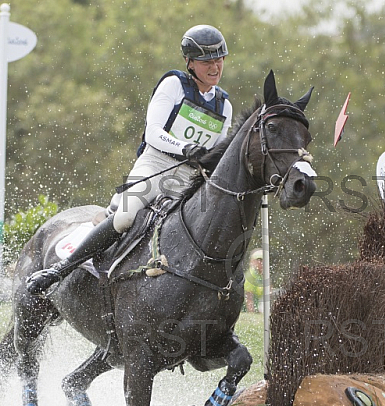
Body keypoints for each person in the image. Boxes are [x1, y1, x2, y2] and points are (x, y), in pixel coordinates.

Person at [26, 25, 233, 295]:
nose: (215, 67)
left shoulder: (224, 106)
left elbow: (218, 153)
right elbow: (153, 132)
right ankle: (60, 269)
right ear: (190, 62)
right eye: (207, 61)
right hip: (156, 164)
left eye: (219, 59)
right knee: (125, 216)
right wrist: (184, 148)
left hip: (188, 178)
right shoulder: (174, 85)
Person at [244, 248, 264, 313]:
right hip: (245, 311)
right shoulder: (251, 275)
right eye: (259, 260)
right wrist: (252, 313)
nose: (261, 263)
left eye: (263, 260)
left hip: (257, 309)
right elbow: (249, 297)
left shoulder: (261, 275)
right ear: (252, 261)